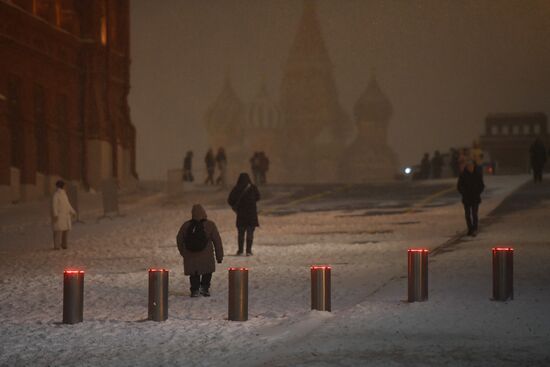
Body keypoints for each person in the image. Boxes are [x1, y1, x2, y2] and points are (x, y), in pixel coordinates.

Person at [176, 204, 224, 297]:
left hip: (190, 256)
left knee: (194, 273)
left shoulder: (186, 225)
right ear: (204, 213)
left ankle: (195, 290)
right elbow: (217, 241)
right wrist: (219, 256)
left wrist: (184, 252)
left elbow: (179, 239)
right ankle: (204, 288)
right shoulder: (210, 225)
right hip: (207, 256)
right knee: (207, 271)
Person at [227, 173, 260, 256]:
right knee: (250, 233)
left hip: (241, 214)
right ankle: (248, 251)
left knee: (241, 233)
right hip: (251, 214)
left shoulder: (237, 188)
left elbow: (230, 200)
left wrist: (236, 206)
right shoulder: (253, 187)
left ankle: (240, 250)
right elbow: (258, 197)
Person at [457, 160, 485, 236]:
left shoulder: (477, 175)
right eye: (469, 166)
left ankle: (475, 228)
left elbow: (481, 185)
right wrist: (464, 193)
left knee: (474, 214)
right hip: (466, 198)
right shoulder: (463, 175)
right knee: (467, 215)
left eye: (471, 166)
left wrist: (477, 192)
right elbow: (459, 186)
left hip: (475, 198)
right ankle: (470, 229)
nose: (470, 168)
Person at [51, 180, 76, 250]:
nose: (65, 187)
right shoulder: (56, 195)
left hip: (65, 215)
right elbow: (54, 205)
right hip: (59, 216)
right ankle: (57, 246)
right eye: (64, 185)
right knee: (58, 231)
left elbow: (67, 205)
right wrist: (55, 214)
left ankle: (64, 244)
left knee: (65, 231)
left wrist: (72, 211)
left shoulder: (64, 194)